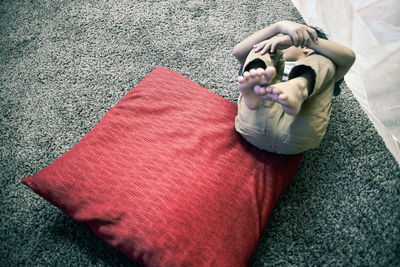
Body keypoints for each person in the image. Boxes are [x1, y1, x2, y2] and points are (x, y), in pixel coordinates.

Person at [233, 20, 355, 154]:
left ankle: (300, 87)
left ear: (305, 48)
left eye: (285, 37)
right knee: (261, 47)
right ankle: (257, 85)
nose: (278, 40)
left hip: (297, 127)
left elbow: (349, 57)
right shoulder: (272, 62)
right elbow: (238, 52)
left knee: (327, 61)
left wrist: (305, 40)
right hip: (254, 116)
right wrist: (279, 26)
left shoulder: (321, 70)